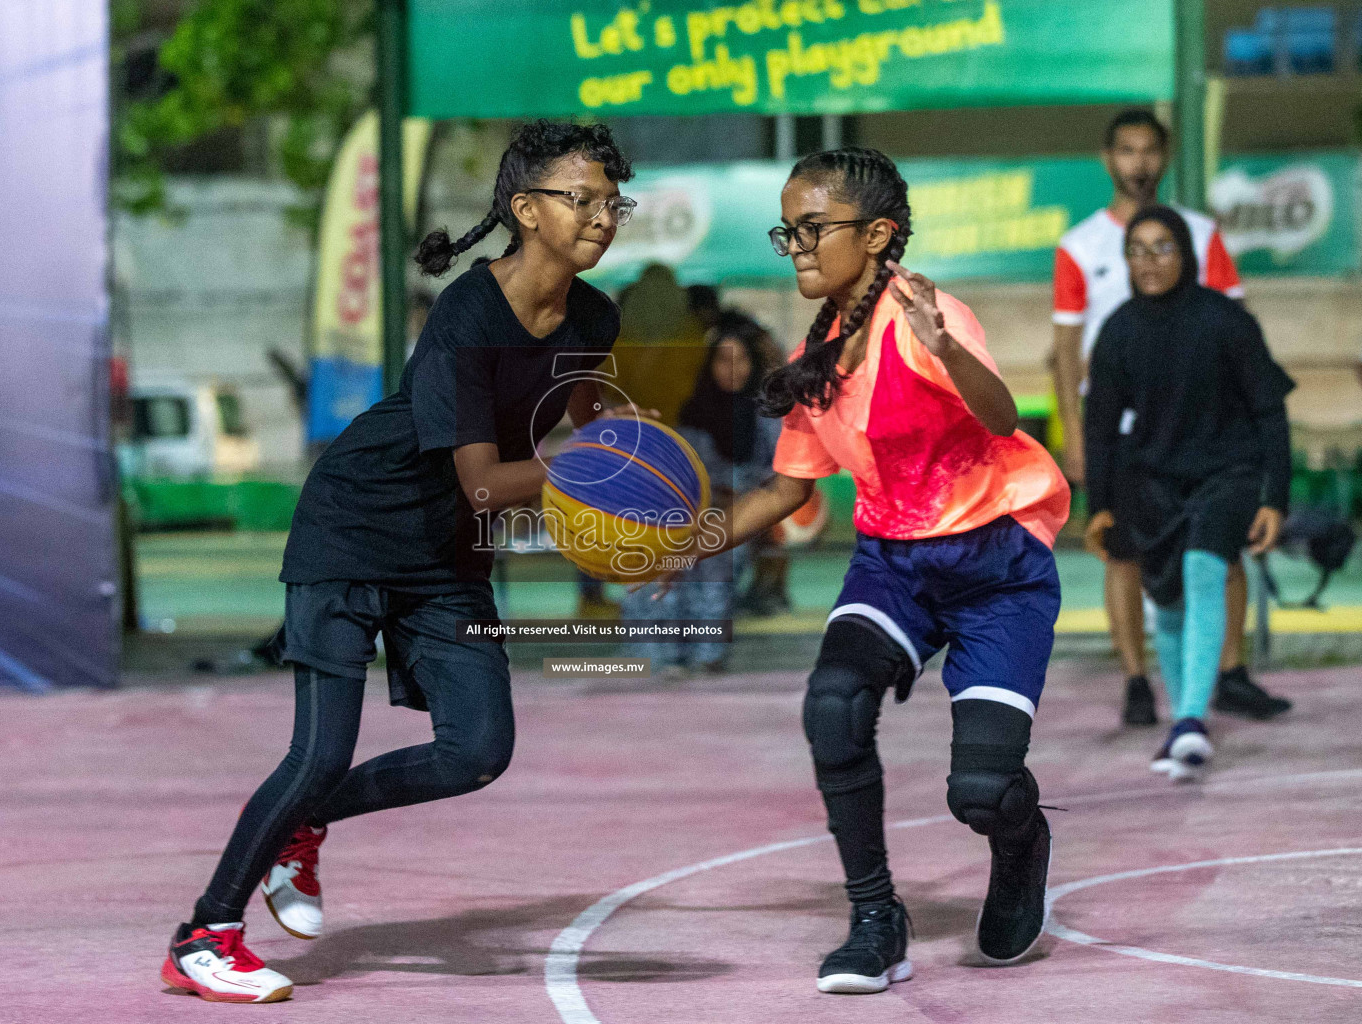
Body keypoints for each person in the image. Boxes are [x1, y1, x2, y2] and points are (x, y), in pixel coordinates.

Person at [160, 120, 636, 1003]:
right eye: (584, 200)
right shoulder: (467, 311)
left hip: (445, 553)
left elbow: (568, 417)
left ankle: (298, 831)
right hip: (355, 523)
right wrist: (598, 467)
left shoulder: (597, 314)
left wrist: (636, 461)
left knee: (477, 750)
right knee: (317, 752)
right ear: (526, 210)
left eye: (614, 201)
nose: (604, 217)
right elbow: (491, 481)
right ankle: (202, 936)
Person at [656, 148, 1071, 993]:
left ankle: (1021, 842)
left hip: (998, 563)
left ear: (878, 234)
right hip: (894, 564)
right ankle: (877, 918)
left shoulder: (927, 316)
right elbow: (784, 488)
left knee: (982, 793)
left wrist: (948, 349)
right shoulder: (822, 354)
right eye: (790, 232)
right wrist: (690, 542)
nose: (798, 247)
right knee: (834, 704)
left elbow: (1000, 420)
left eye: (813, 229)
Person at [1051, 108, 1288, 726]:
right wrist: (1076, 440)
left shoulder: (1203, 235)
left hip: (1203, 432)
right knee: (1126, 557)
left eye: (1149, 151)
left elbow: (1236, 334)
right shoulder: (1078, 246)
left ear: (1165, 157)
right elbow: (1066, 353)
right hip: (1127, 435)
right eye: (1126, 151)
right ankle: (1136, 679)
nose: (1139, 163)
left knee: (1219, 553)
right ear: (1109, 160)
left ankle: (1228, 672)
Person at [1084, 206, 1293, 783]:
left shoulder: (1225, 320)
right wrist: (1098, 504)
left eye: (1163, 248)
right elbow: (1099, 422)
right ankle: (1185, 725)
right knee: (1168, 601)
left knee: (1204, 569)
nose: (1150, 262)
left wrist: (1277, 496)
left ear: (1186, 253)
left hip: (1228, 471)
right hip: (1150, 480)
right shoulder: (1119, 329)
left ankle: (1190, 720)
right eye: (1138, 250)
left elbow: (1270, 411)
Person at [621, 310, 781, 675]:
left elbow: (777, 476)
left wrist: (737, 496)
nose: (733, 369)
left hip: (740, 516)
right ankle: (662, 656)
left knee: (713, 565)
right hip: (689, 513)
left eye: (742, 359)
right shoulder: (695, 411)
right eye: (724, 360)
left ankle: (706, 655)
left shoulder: (767, 414)